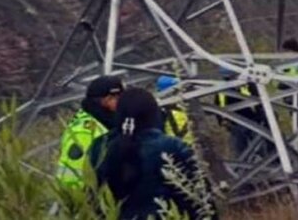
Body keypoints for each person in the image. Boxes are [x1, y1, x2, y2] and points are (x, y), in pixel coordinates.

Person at [89, 88, 216, 219]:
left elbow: (92, 196)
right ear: (154, 114)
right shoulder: (171, 147)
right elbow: (199, 199)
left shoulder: (99, 147)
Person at [56, 76, 124, 188]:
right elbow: (73, 172)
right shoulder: (85, 131)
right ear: (104, 100)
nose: (121, 103)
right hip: (82, 197)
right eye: (116, 98)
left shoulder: (101, 122)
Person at [214, 68, 268, 159]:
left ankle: (263, 160)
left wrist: (261, 115)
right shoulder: (222, 89)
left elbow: (259, 100)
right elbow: (217, 105)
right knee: (239, 146)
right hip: (234, 123)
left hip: (253, 119)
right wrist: (221, 120)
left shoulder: (248, 86)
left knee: (259, 144)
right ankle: (243, 164)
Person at [155, 75, 195, 145]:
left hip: (185, 145)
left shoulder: (164, 107)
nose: (180, 93)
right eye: (177, 91)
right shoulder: (158, 111)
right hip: (176, 147)